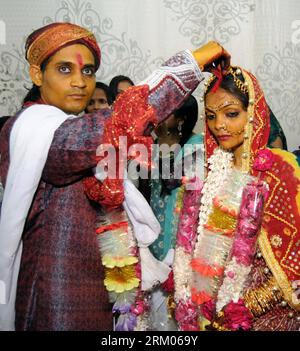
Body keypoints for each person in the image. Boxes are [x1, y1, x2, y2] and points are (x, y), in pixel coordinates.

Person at [0, 21, 230, 331]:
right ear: (37, 74)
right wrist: (191, 63)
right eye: (65, 70)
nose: (81, 82)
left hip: (99, 290)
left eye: (88, 71)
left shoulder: (70, 128)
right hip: (55, 299)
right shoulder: (33, 132)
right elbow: (120, 121)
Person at [172, 64, 300, 331]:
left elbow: (292, 263)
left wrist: (244, 307)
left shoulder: (277, 169)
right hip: (209, 312)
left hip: (266, 316)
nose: (219, 125)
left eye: (231, 114)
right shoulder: (206, 171)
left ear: (252, 111)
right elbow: (189, 245)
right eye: (210, 116)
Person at [146, 95, 204, 330]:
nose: (159, 116)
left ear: (181, 119)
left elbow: (179, 181)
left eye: (166, 112)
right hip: (154, 235)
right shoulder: (152, 144)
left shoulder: (196, 145)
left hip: (181, 235)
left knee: (180, 308)